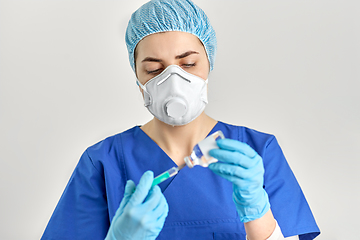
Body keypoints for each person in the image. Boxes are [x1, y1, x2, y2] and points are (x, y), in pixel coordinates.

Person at [41, 0, 320, 239]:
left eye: (188, 64)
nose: (173, 82)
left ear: (209, 63)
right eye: (154, 69)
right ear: (137, 77)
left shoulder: (257, 151)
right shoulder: (104, 162)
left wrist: (259, 214)